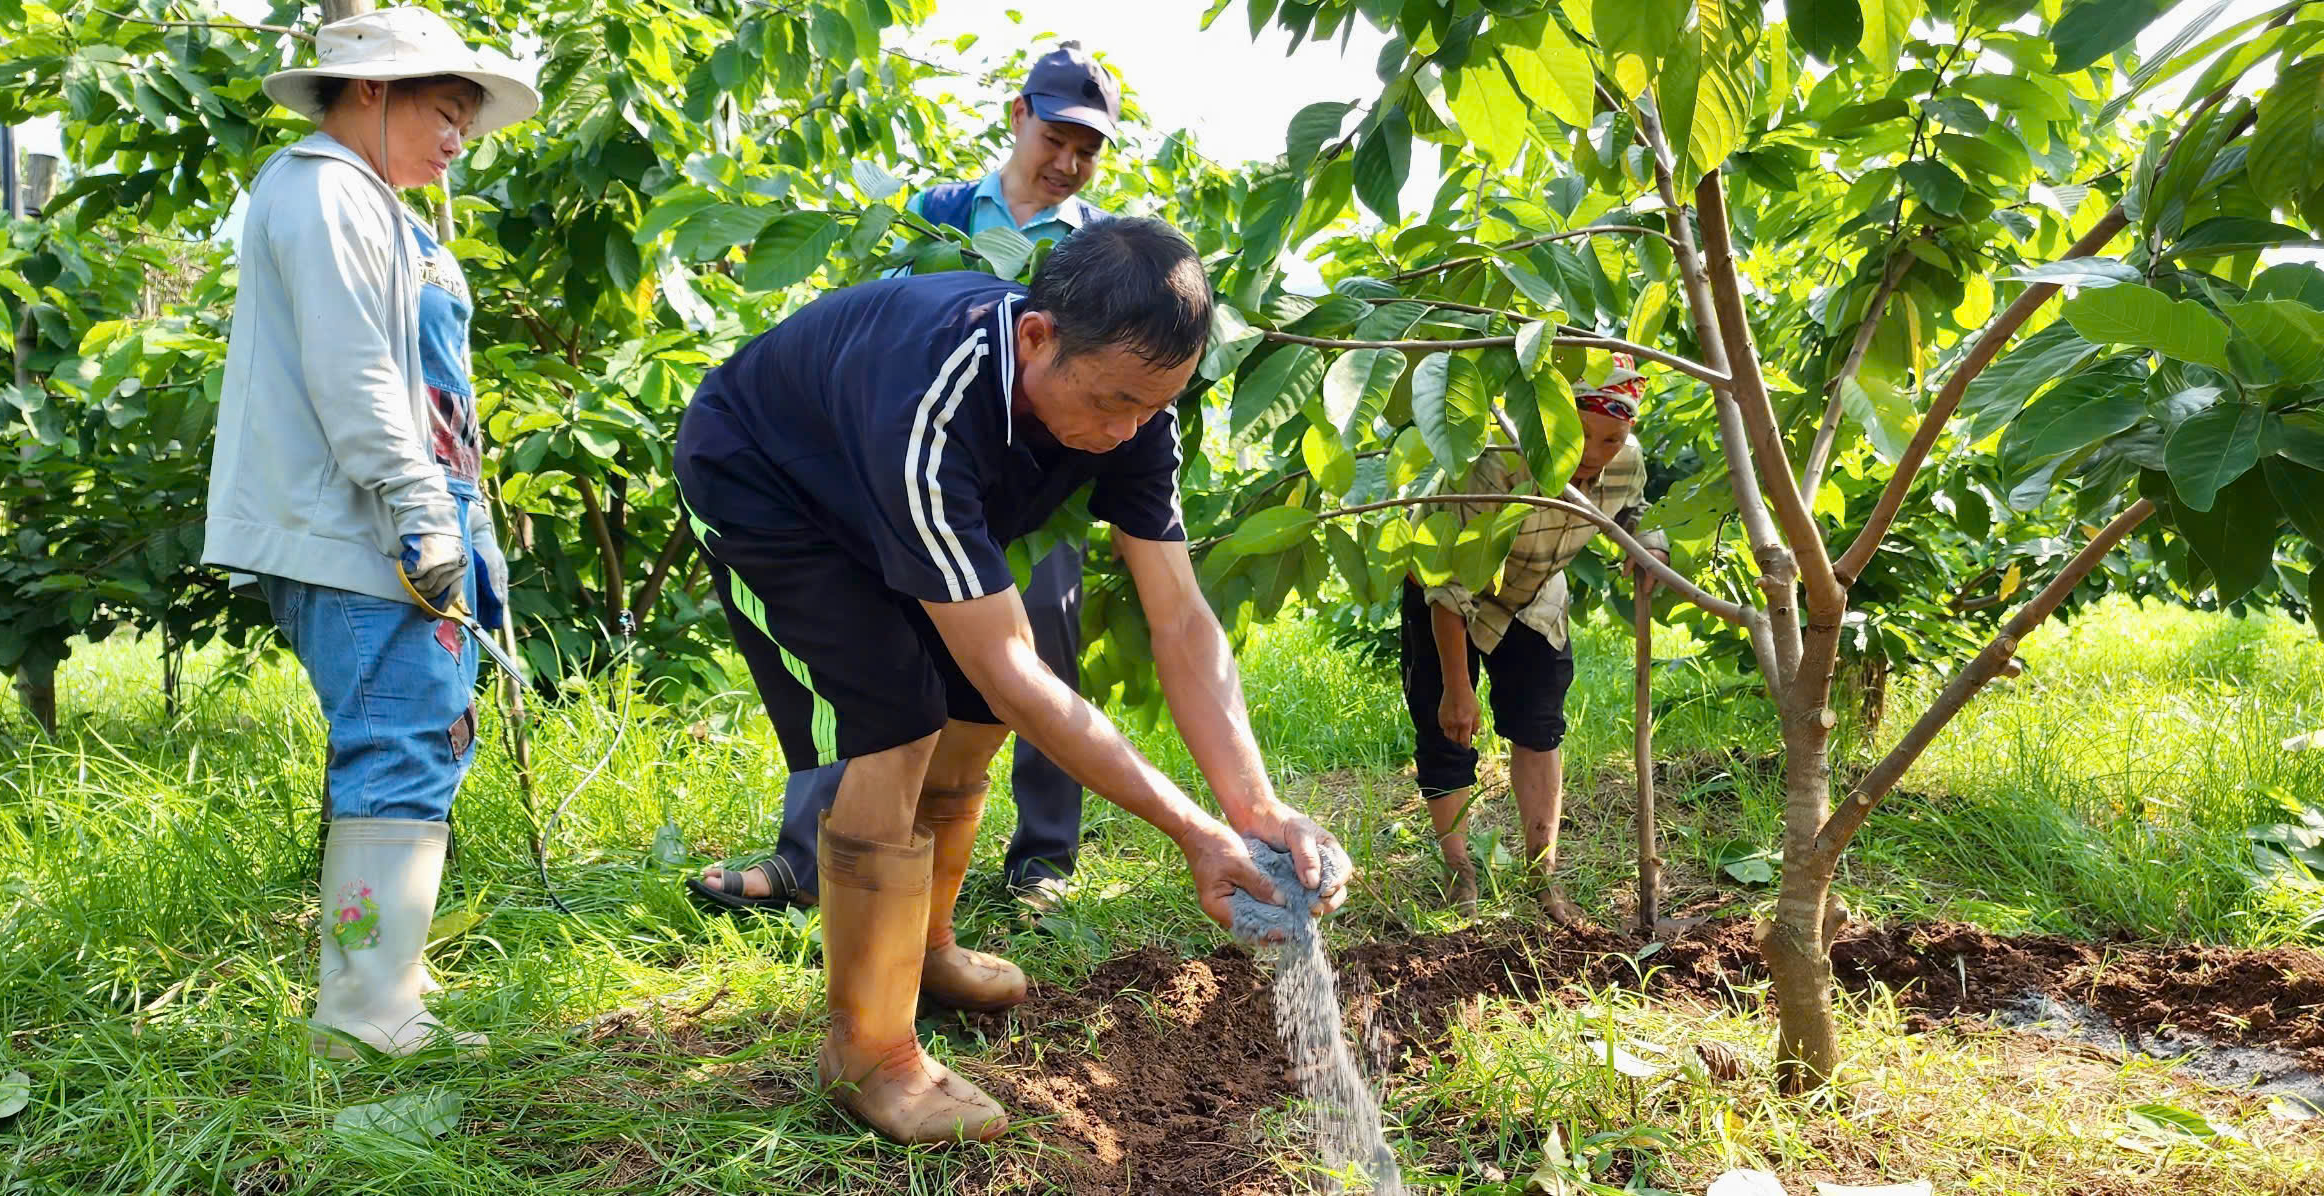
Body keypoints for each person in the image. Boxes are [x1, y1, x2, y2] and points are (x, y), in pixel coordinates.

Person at [673, 217, 1351, 1143]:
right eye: (1113, 402)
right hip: (768, 480)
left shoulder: (1138, 407)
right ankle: (868, 1052)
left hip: (883, 479)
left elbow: (1182, 618)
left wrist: (1254, 805)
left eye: (1153, 407)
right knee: (898, 719)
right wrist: (1191, 831)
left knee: (965, 710)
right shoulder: (934, 394)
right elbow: (1012, 673)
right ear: (1036, 336)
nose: (1125, 432)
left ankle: (927, 949)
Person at [687, 42, 1122, 917]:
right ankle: (813, 859)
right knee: (880, 671)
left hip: (1036, 486)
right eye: (1058, 138)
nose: (1069, 163)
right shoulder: (940, 215)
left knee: (1033, 656)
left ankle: (1042, 859)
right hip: (923, 473)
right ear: (1019, 118)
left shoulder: (1097, 252)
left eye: (1090, 150)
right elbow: (880, 332)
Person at [201, 7, 540, 1057]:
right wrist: (417, 510)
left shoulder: (379, 205)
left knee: (419, 740)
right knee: (396, 744)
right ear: (370, 90)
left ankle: (385, 975)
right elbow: (356, 375)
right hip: (369, 533)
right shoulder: (320, 190)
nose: (455, 142)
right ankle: (362, 1016)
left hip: (409, 525)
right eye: (445, 113)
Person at [1402, 356, 1663, 929]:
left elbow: (1636, 510)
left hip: (1534, 593)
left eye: (1612, 438)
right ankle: (1460, 876)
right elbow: (1447, 581)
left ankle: (1541, 874)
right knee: (1448, 727)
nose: (1595, 453)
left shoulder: (1627, 462)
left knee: (1538, 723)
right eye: (1583, 435)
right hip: (1448, 585)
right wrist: (1457, 687)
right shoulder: (1497, 463)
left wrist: (1649, 546)